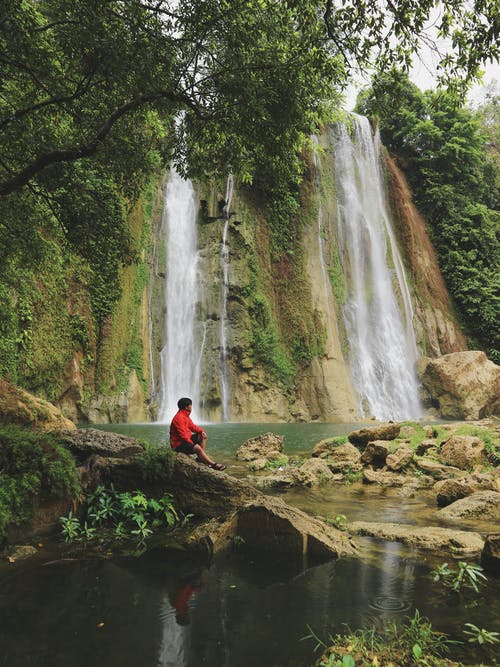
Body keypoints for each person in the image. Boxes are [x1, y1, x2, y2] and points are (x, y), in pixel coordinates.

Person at [169, 397, 226, 471]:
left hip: (184, 440)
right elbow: (183, 435)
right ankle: (213, 464)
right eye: (191, 405)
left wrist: (202, 431)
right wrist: (193, 444)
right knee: (197, 448)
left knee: (201, 436)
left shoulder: (185, 416)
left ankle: (201, 458)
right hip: (178, 444)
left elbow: (193, 427)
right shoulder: (179, 418)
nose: (192, 407)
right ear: (187, 407)